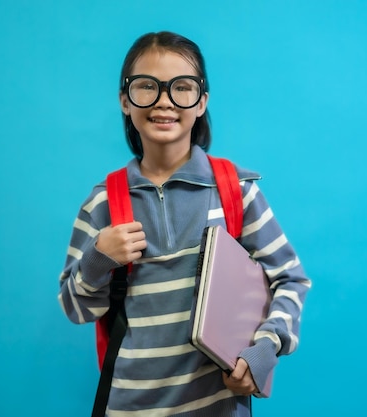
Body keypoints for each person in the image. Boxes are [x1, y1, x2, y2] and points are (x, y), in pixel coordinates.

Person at [58, 31, 311, 417]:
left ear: (202, 101)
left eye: (182, 88)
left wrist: (264, 351)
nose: (164, 101)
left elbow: (290, 279)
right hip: (131, 408)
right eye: (147, 87)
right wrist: (98, 259)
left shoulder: (235, 191)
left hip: (219, 407)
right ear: (125, 100)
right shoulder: (103, 203)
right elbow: (75, 309)